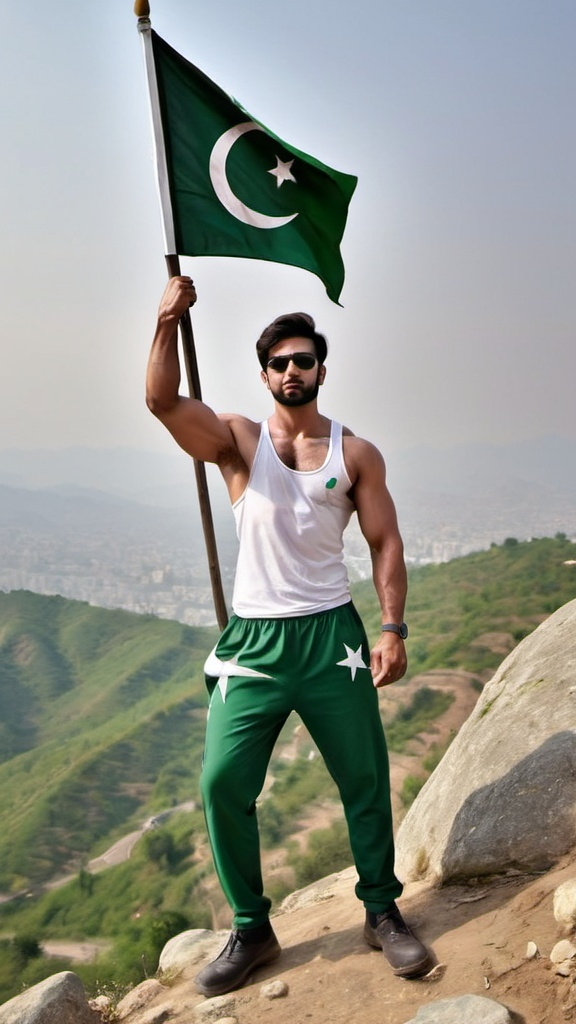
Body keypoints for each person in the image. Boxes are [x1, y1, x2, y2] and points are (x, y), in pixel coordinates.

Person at [146, 276, 432, 996]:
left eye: (303, 360)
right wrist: (164, 325)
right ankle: (251, 928)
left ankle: (381, 911)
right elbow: (162, 403)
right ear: (265, 371)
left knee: (364, 778)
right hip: (255, 644)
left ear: (321, 370)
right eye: (279, 362)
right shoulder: (239, 442)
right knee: (221, 784)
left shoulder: (355, 452)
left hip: (331, 635)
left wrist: (392, 626)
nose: (291, 371)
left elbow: (385, 542)